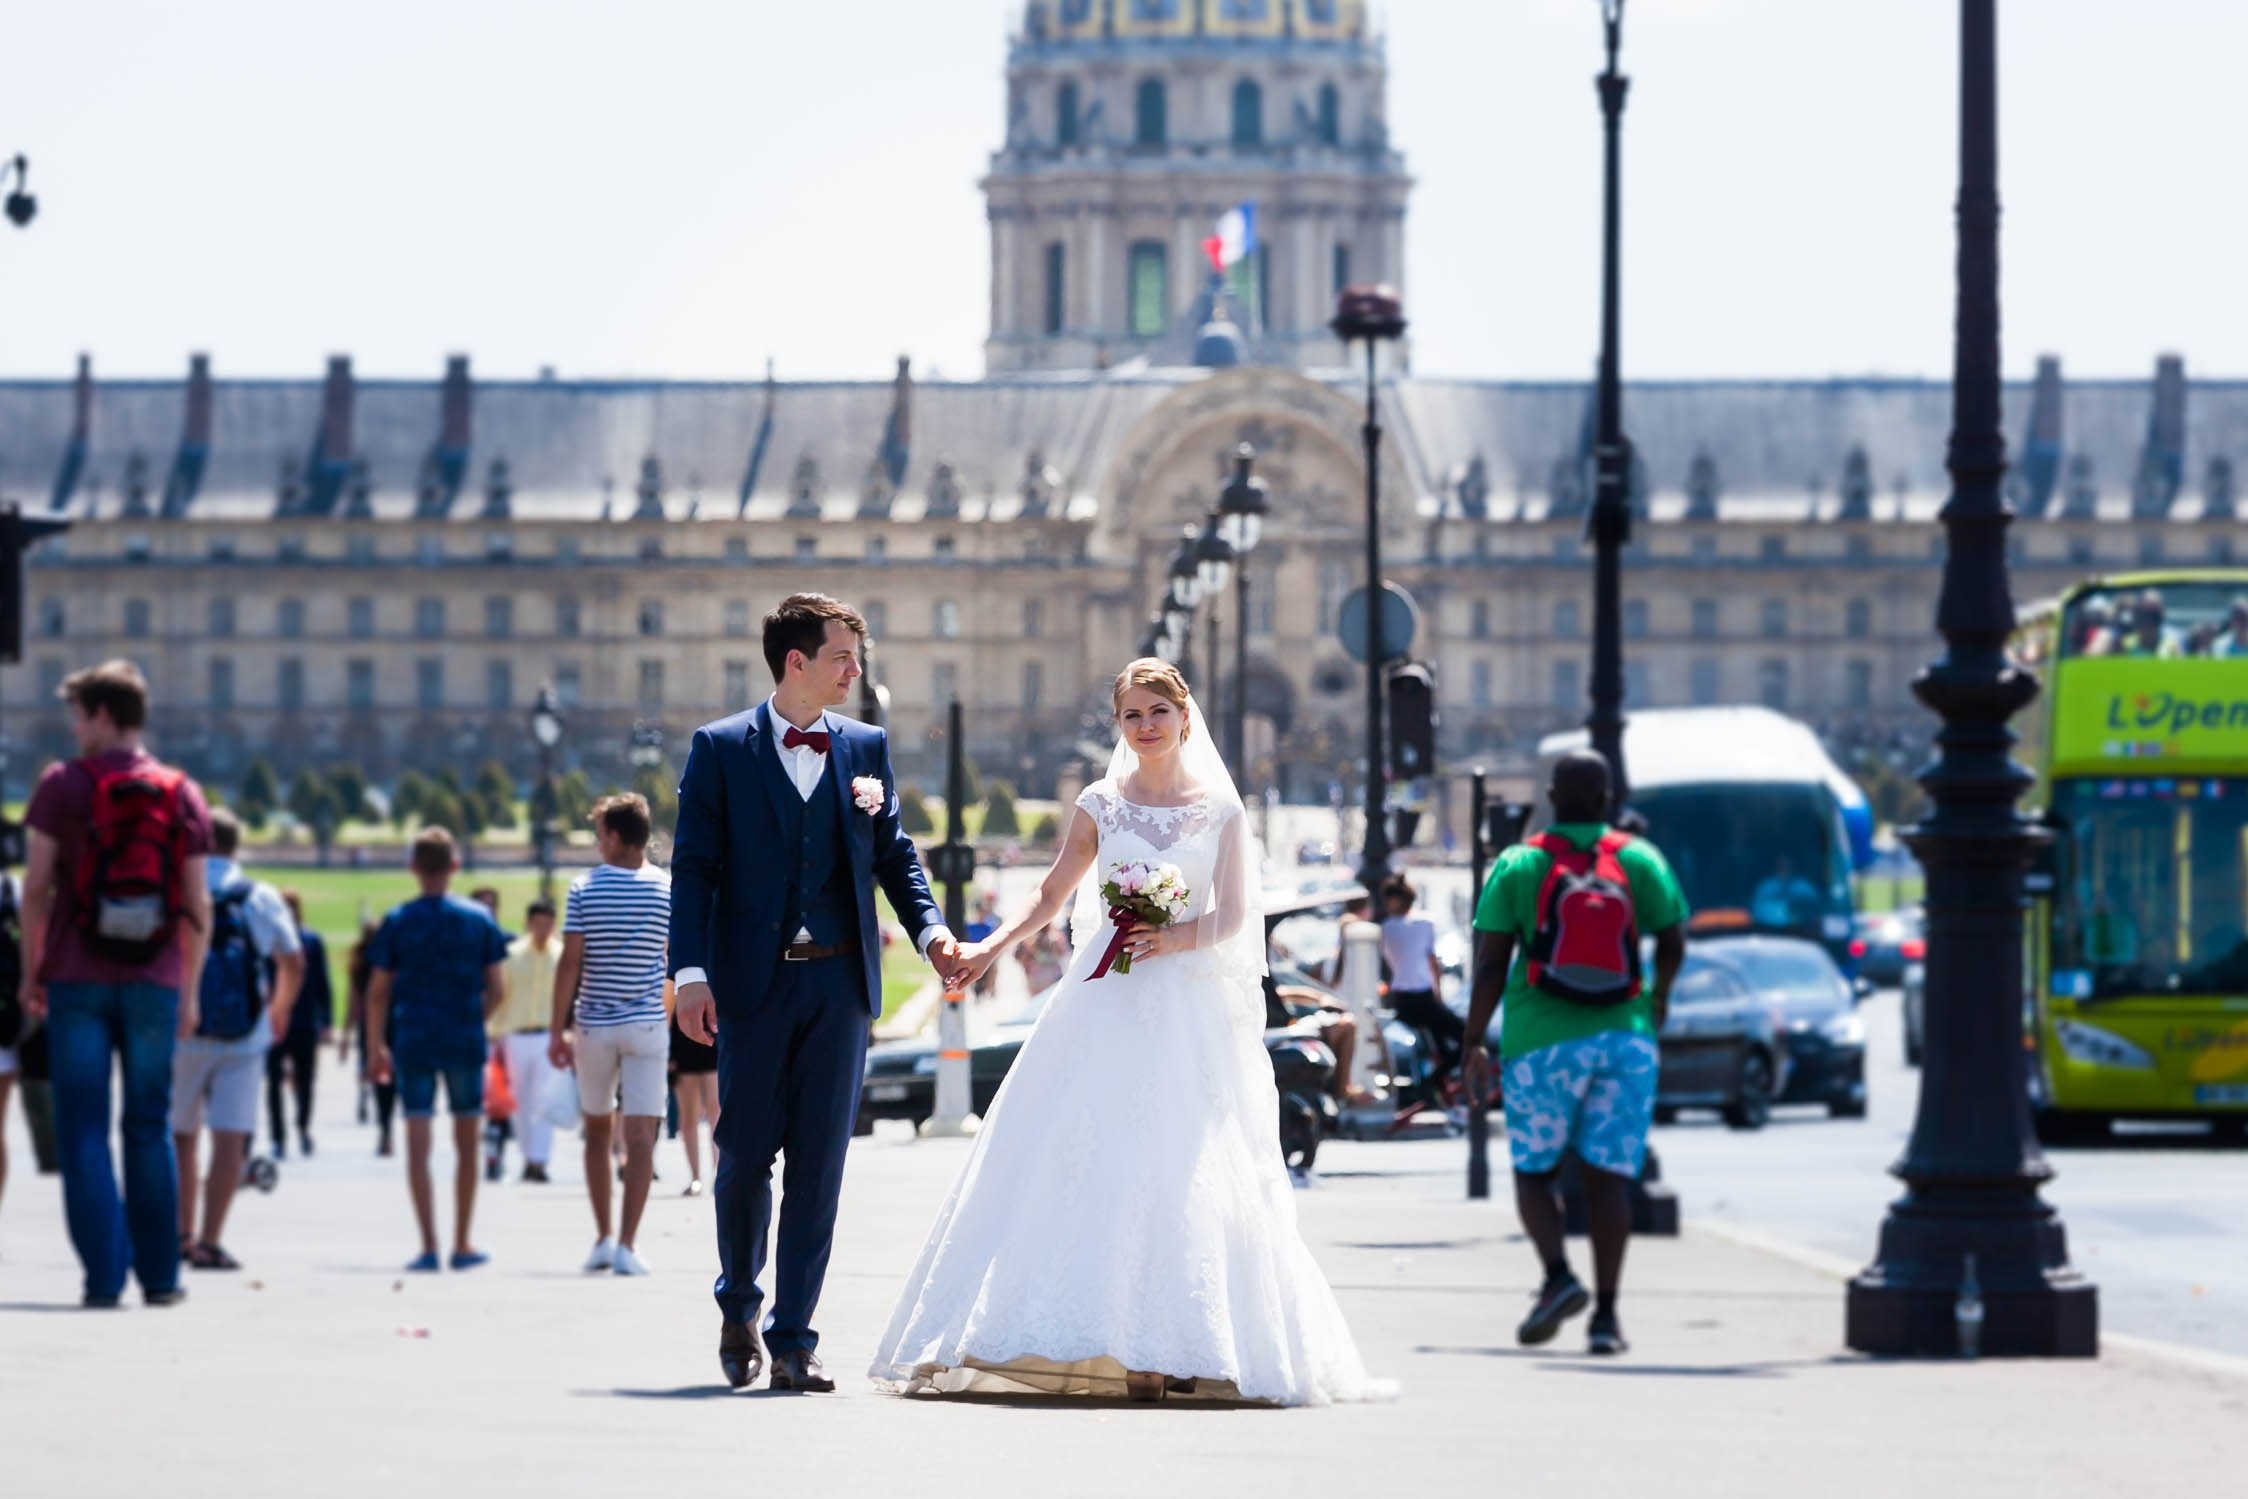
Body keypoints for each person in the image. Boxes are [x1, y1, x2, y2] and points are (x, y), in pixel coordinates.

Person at [869, 659, 1391, 1405]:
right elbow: (1052, 891)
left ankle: (1173, 1341)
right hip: (1101, 996)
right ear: (1119, 726)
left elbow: (1239, 914)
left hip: (1183, 1004)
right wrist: (988, 948)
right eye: (1131, 716)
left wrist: (1172, 939)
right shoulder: (1100, 802)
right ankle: (1106, 1340)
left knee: (1180, 1162)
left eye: (1157, 711)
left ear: (1184, 716)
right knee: (1084, 1150)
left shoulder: (1220, 810)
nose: (1145, 726)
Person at [671, 592, 962, 1393]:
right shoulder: (720, 748)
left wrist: (932, 930)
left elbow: (895, 856)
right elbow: (694, 868)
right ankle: (739, 1301)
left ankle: (795, 1336)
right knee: (741, 1158)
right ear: (796, 661)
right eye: (842, 656)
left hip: (839, 985)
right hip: (752, 988)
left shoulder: (865, 746)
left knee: (820, 1167)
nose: (855, 671)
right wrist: (689, 973)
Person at [1462, 750, 1688, 1357]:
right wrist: (1657, 1003)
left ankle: (1559, 1277)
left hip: (1542, 1040)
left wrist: (1473, 1040)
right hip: (1625, 1038)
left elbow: (1490, 962)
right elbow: (1673, 940)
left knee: (1536, 1171)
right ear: (1608, 797)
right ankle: (1608, 1318)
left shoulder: (1519, 862)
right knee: (1609, 1179)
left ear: (1552, 797)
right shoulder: (1640, 860)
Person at [18, 660, 214, 1308]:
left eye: (79, 715)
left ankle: (104, 1276)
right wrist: (188, 991)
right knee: (149, 1124)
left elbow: (36, 889)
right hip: (156, 977)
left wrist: (31, 971)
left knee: (82, 1128)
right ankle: (161, 1276)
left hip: (77, 974)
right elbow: (196, 906)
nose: (74, 728)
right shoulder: (181, 791)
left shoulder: (62, 784)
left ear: (103, 715)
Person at [365, 828, 509, 1272]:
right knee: (467, 1141)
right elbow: (499, 989)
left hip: (414, 1037)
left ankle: (429, 1243)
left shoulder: (398, 920)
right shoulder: (479, 920)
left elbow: (377, 992)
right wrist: (476, 1017)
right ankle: (462, 1241)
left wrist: (375, 1044)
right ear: (455, 867)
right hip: (463, 1035)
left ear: (413, 868)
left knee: (418, 1138)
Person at [173, 809, 304, 1271]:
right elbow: (293, 958)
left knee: (180, 1136)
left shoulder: (180, 887)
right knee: (230, 1138)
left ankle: (180, 1234)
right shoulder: (259, 896)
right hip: (244, 1033)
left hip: (183, 1028)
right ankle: (211, 1239)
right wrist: (278, 1009)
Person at [549, 795, 673, 1276]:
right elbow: (674, 962)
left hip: (595, 1024)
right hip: (645, 1022)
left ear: (616, 837)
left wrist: (557, 1028)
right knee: (642, 1136)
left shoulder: (585, 888)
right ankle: (628, 1243)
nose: (598, 843)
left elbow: (570, 963)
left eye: (601, 834)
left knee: (598, 1132)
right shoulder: (667, 889)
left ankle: (602, 1236)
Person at [492, 897, 562, 1183]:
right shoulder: (511, 955)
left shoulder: (561, 955)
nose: (543, 929)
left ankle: (540, 1160)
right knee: (521, 1101)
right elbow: (501, 996)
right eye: (538, 924)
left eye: (548, 924)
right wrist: (495, 1034)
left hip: (548, 1034)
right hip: (516, 1035)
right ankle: (526, 1157)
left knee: (544, 1100)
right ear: (528, 923)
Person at [1380, 873, 1463, 1093]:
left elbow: (1393, 959)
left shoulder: (1388, 927)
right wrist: (1438, 992)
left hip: (1402, 999)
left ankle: (1434, 1082)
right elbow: (1431, 961)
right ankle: (1433, 1082)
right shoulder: (1425, 922)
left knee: (1440, 1040)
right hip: (1422, 996)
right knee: (1464, 1037)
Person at [265, 891, 329, 1160]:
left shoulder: (311, 941)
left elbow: (322, 984)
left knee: (306, 1079)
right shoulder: (269, 940)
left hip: (303, 1020)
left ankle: (303, 1127)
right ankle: (278, 1136)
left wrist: (325, 1020)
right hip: (274, 1018)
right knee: (274, 1082)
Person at [343, 922, 395, 1156]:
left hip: (375, 1025)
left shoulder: (369, 961)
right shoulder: (372, 963)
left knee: (381, 1078)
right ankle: (385, 1125)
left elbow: (355, 1001)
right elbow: (358, 999)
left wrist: (347, 1033)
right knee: (385, 1079)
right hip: (388, 1024)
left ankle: (385, 1125)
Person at [669, 1005, 719, 1198]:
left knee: (716, 1113)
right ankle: (695, 1177)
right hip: (683, 1048)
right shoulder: (676, 975)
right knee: (688, 1118)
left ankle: (718, 1173)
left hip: (714, 1047)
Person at [1750, 855, 1821, 932]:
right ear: (1776, 867)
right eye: (1781, 866)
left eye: (1787, 865)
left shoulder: (1804, 886)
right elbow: (1757, 910)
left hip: (1802, 931)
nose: (1784, 868)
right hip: (1769, 931)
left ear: (1792, 866)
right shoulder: (1765, 887)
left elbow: (1816, 907)